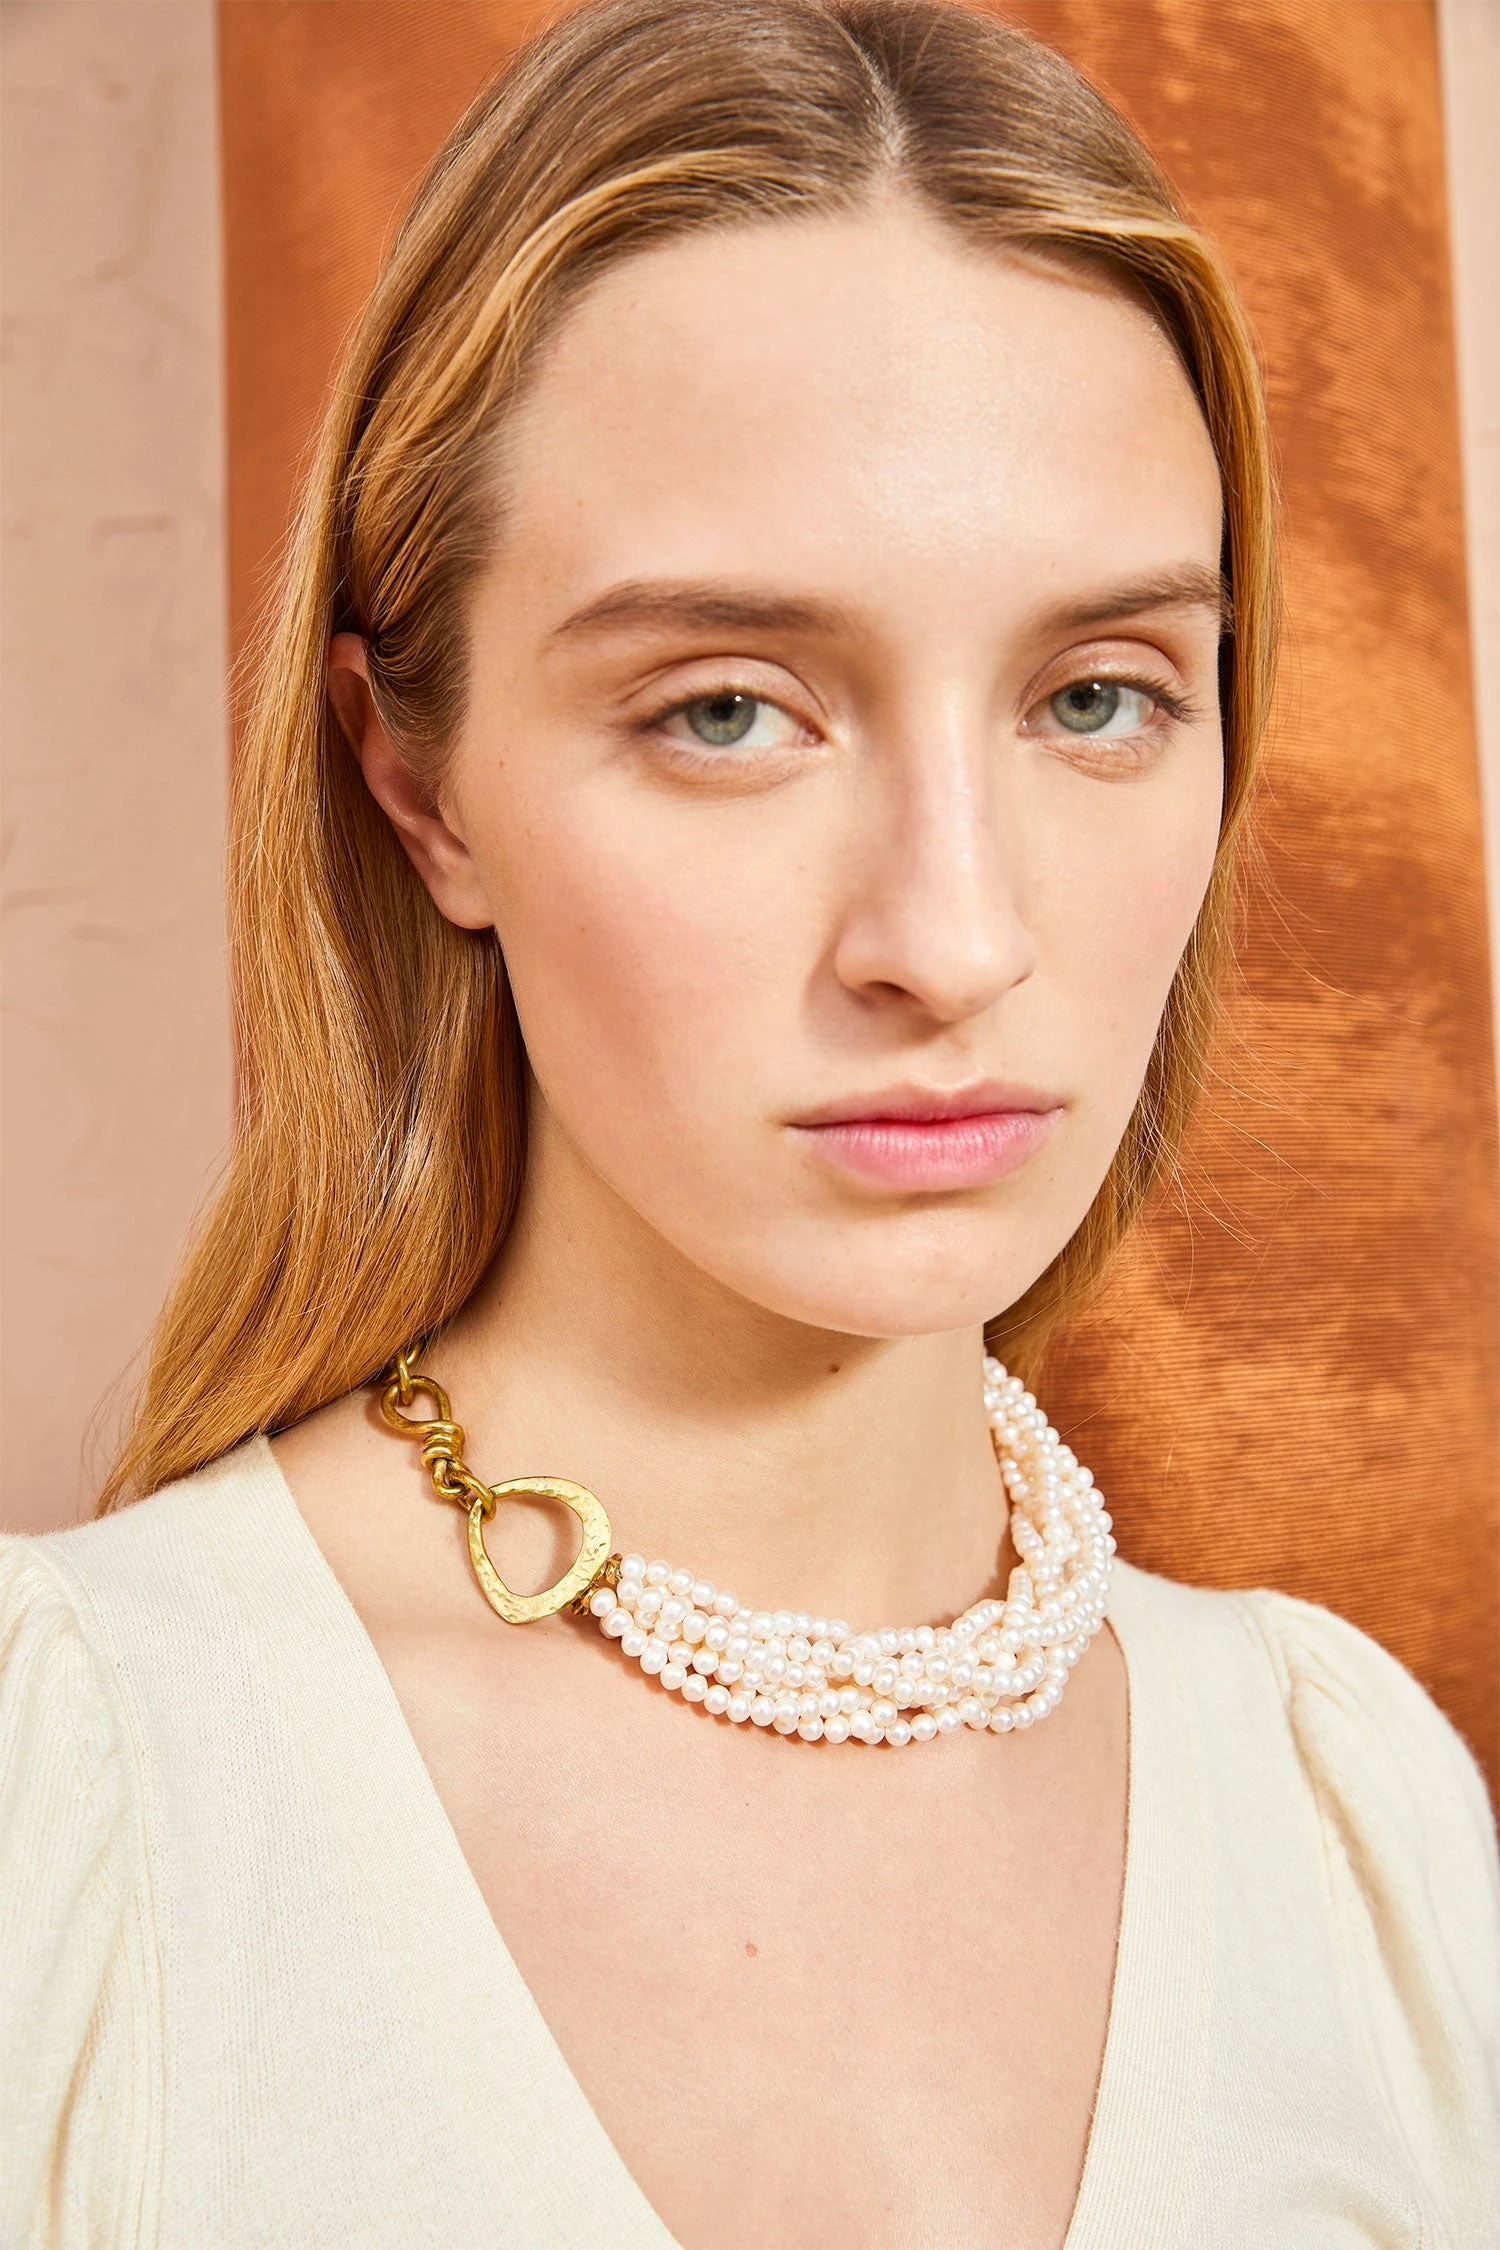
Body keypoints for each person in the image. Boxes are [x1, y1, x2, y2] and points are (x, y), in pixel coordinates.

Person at [3, 1, 1496, 2243]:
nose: (952, 938)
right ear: (419, 784)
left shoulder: (1350, 1809)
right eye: (728, 712)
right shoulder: (71, 1797)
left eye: (1098, 696)